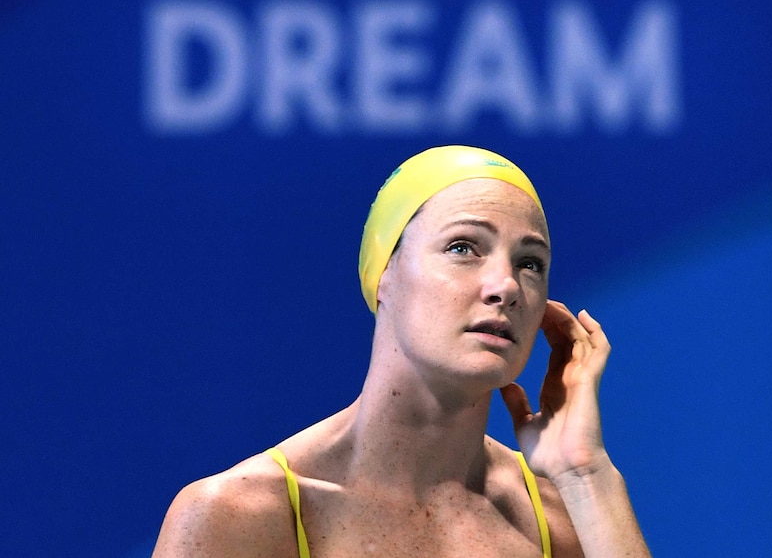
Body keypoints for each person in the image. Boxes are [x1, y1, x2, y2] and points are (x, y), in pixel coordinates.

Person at [152, 145, 650, 557]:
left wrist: (586, 473)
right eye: (463, 247)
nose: (506, 286)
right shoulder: (241, 515)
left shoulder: (566, 519)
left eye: (530, 263)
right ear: (383, 273)